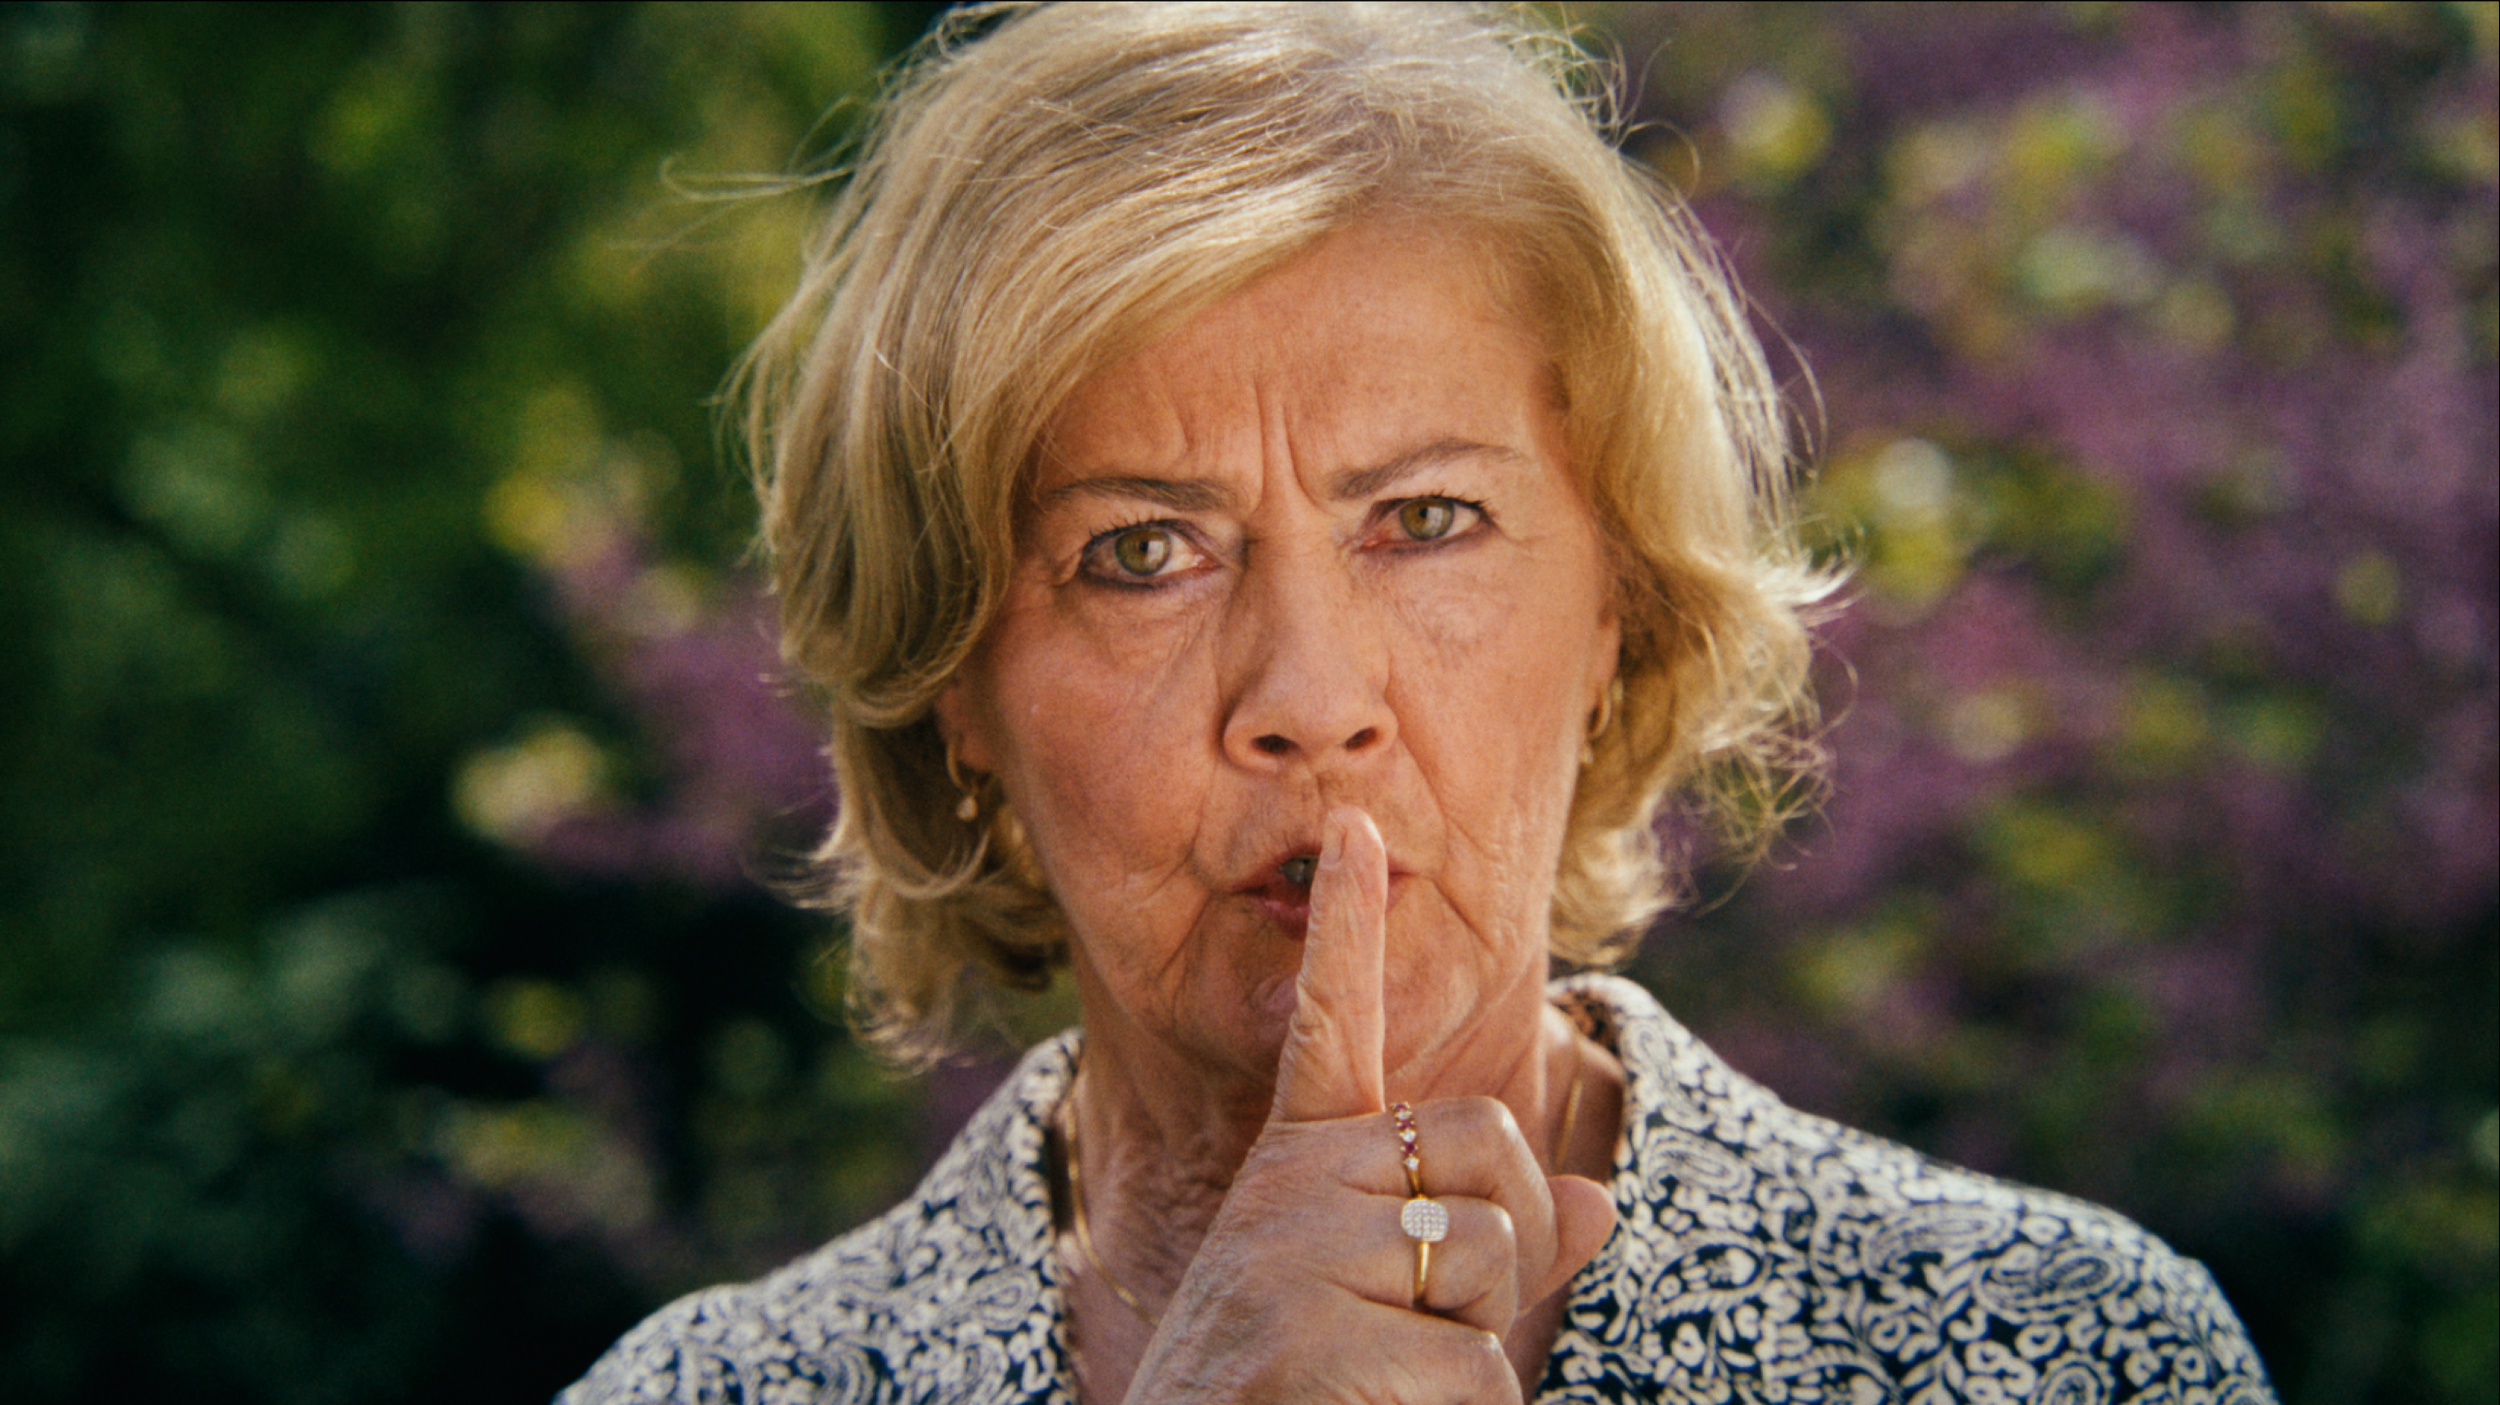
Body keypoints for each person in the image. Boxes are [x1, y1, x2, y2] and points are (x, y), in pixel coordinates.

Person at [563, 4, 2276, 1401]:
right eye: (1143, 552)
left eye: (1427, 520)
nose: (1311, 700)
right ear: (956, 690)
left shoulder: (2062, 1354)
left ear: (1615, 611)